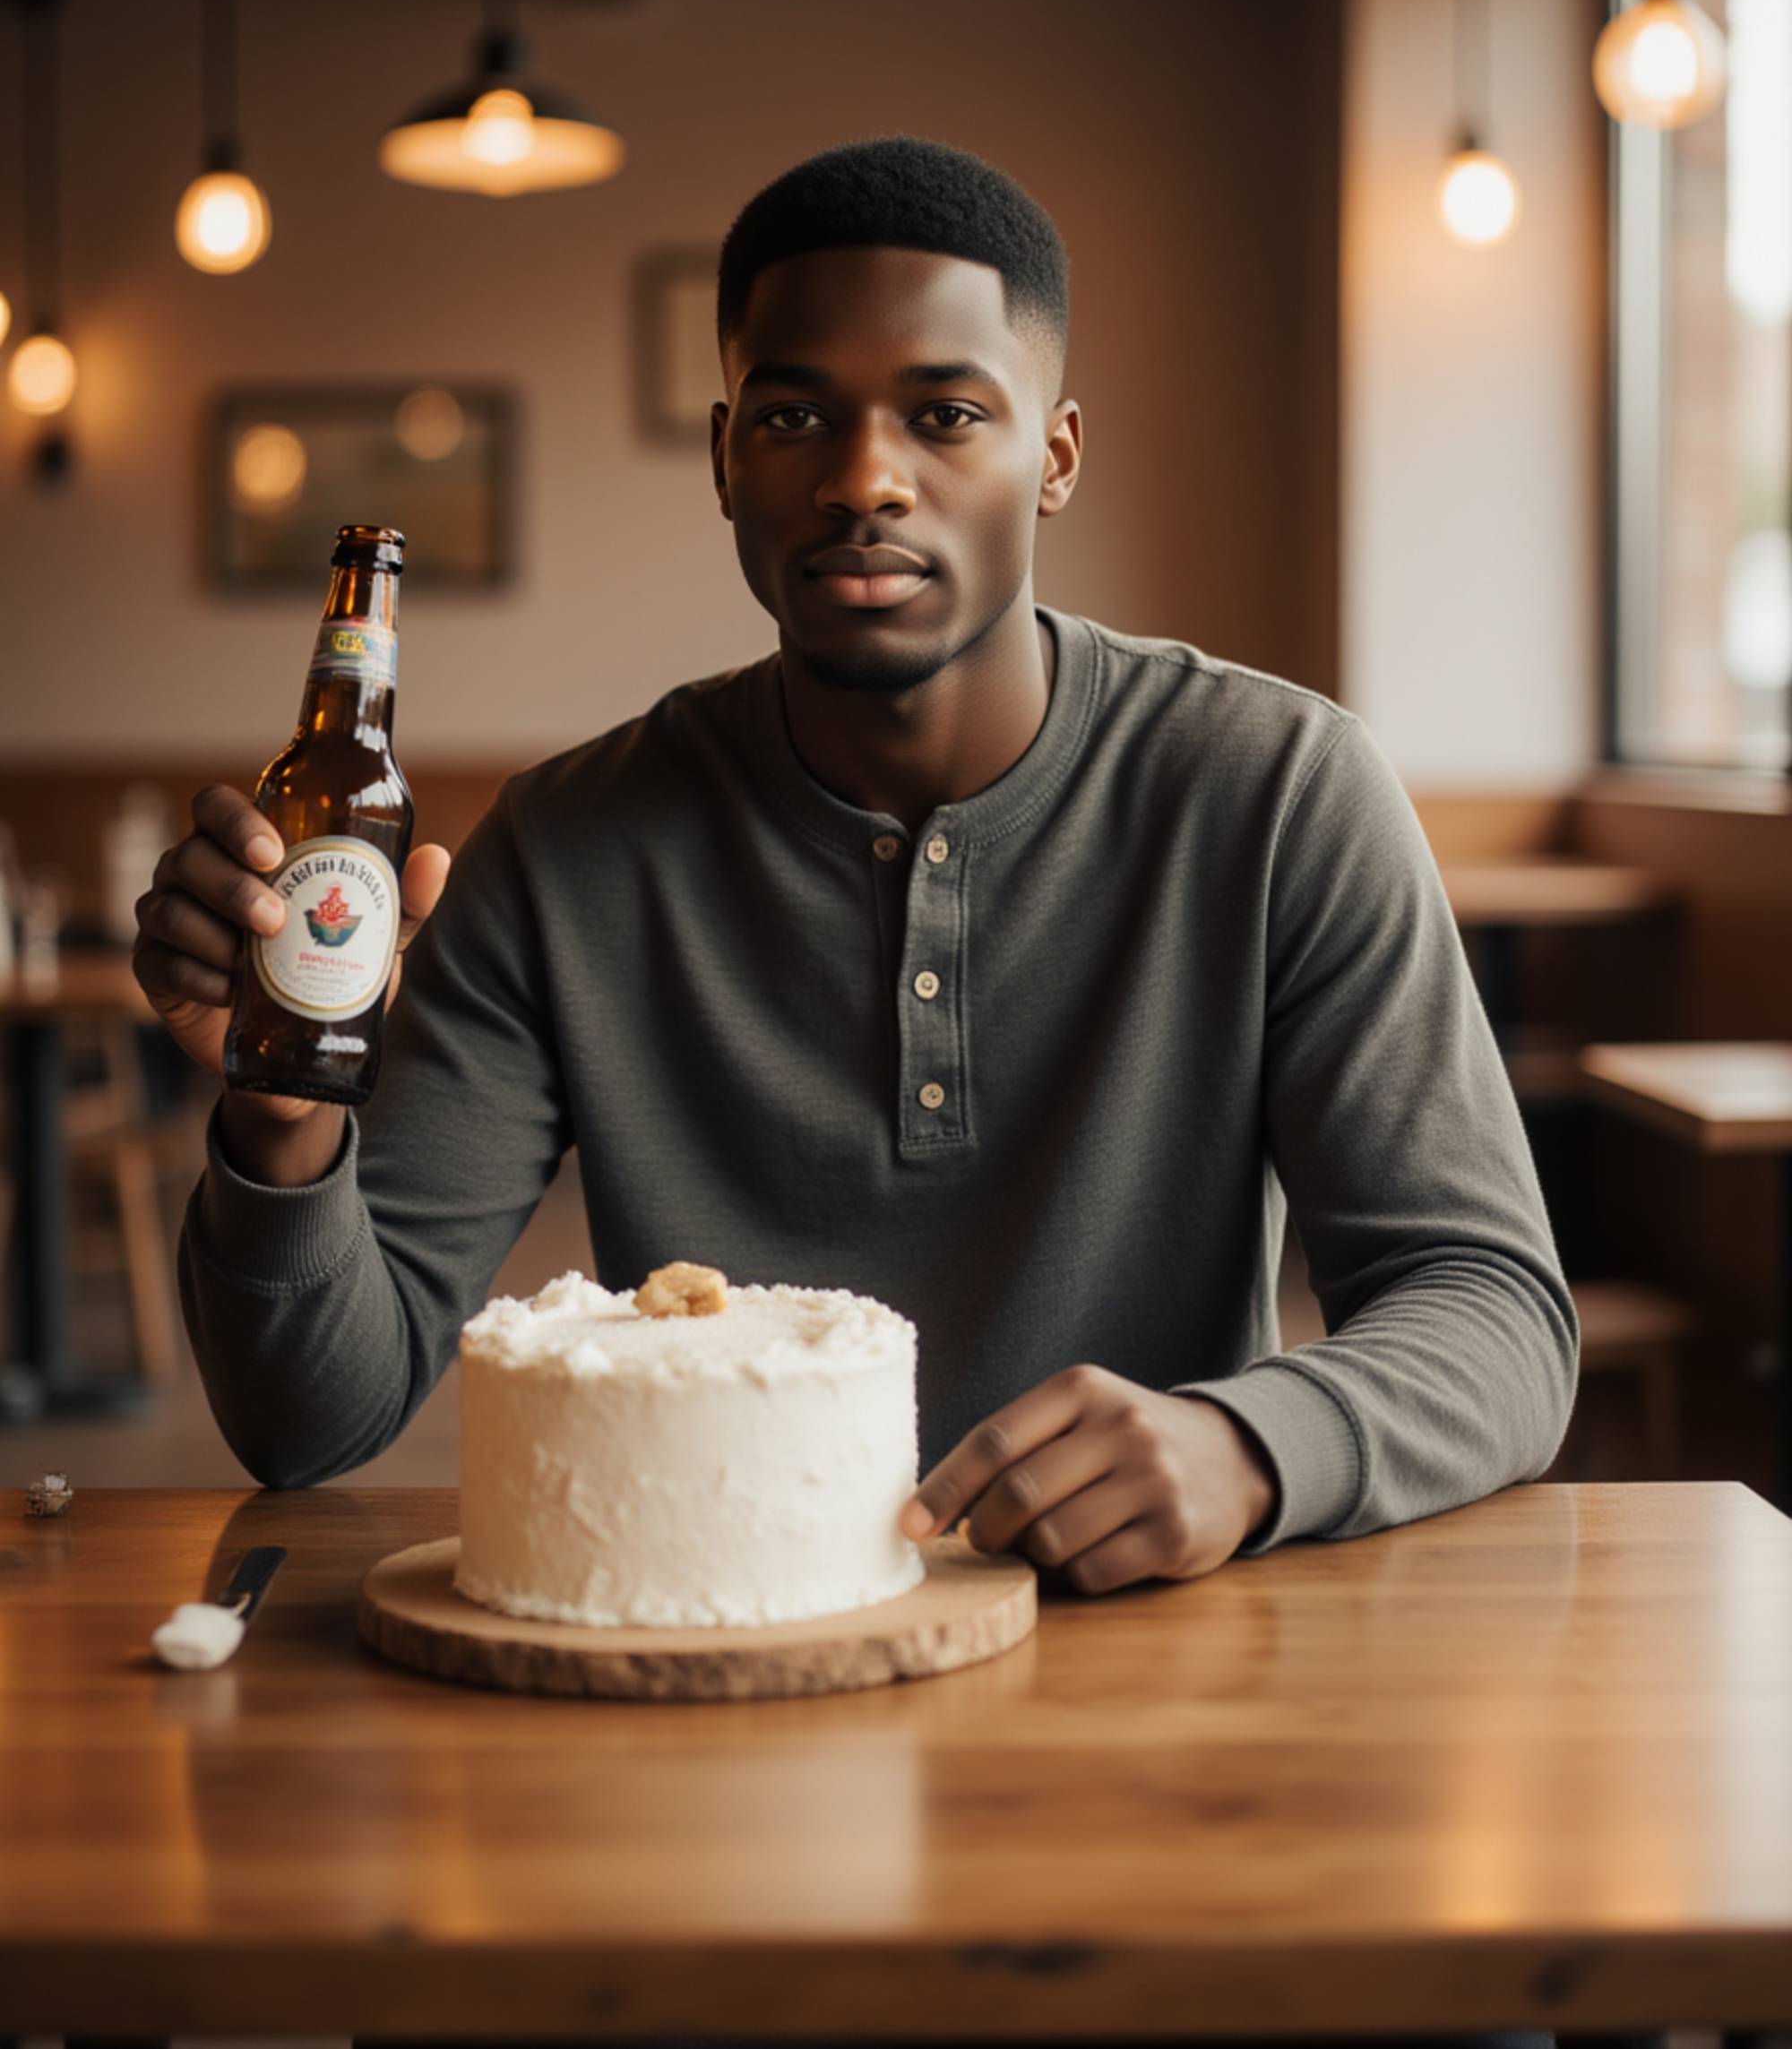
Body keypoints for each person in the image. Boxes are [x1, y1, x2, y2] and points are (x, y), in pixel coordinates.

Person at [137, 134, 1579, 2048]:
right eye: (798, 413)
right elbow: (311, 1414)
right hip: (700, 1725)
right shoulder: (566, 849)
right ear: (729, 454)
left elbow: (1496, 1312)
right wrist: (280, 1102)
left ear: (1053, 454)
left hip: (1168, 1690)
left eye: (945, 412)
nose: (864, 476)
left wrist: (1252, 1443)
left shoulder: (1277, 789)